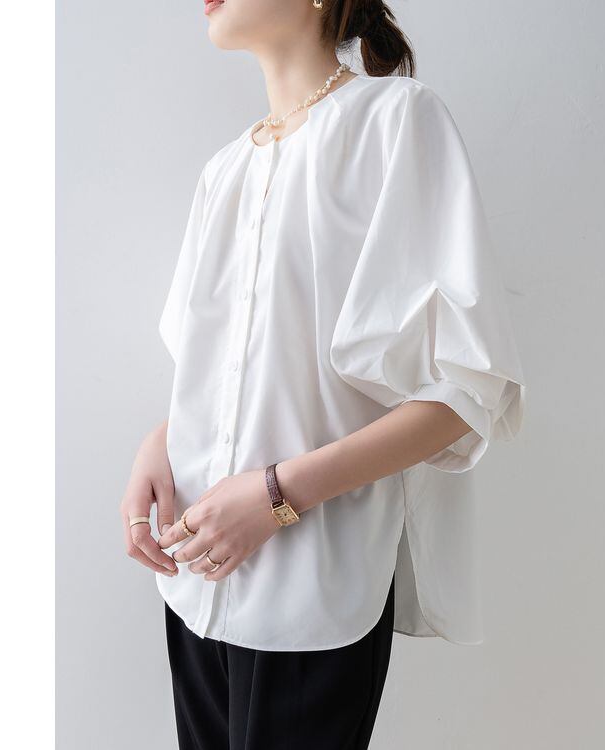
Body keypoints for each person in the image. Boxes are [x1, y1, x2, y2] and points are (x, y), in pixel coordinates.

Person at [119, 1, 527, 748]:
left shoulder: (396, 122)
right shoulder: (224, 171)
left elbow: (466, 392)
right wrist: (161, 441)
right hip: (192, 581)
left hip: (312, 594)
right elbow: (242, 373)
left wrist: (276, 495)